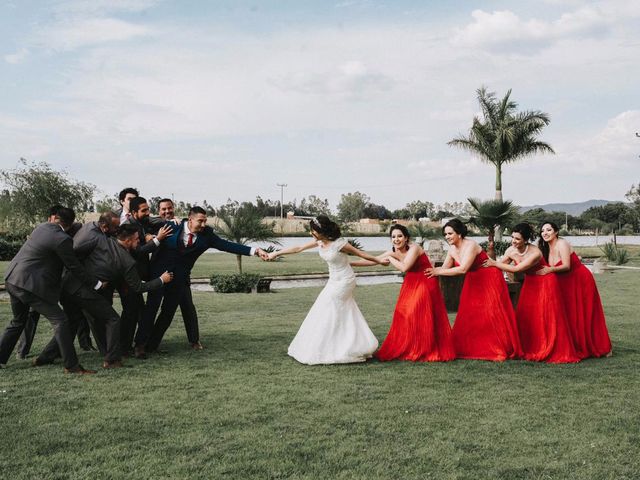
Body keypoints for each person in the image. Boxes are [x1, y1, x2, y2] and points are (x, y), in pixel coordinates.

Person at [34, 221, 173, 369]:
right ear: (127, 240)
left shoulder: (103, 240)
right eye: (137, 239)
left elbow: (77, 254)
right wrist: (161, 280)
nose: (139, 241)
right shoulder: (127, 262)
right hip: (85, 291)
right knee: (113, 319)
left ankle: (44, 357)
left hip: (68, 285)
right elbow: (138, 287)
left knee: (71, 322)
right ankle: (112, 360)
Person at [140, 206, 270, 355]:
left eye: (205, 221)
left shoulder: (207, 235)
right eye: (200, 221)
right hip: (159, 277)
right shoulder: (171, 227)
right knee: (150, 310)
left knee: (167, 313)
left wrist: (255, 251)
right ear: (190, 219)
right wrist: (149, 235)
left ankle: (152, 346)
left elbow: (227, 246)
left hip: (179, 280)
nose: (203, 225)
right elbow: (144, 227)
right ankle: (140, 345)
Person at [268, 215, 384, 365]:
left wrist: (379, 261)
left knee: (329, 309)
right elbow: (298, 248)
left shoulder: (339, 244)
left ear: (322, 231)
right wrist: (276, 253)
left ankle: (335, 348)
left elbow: (361, 254)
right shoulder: (319, 241)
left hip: (345, 280)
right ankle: (351, 344)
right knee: (336, 310)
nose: (311, 233)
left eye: (314, 231)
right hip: (333, 281)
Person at [0, 207, 99, 373]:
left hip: (12, 279)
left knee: (18, 321)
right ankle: (72, 366)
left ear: (53, 218)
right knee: (61, 321)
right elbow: (73, 266)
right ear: (70, 223)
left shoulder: (41, 228)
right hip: (30, 285)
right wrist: (95, 283)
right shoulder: (62, 239)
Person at [351, 224, 455, 362]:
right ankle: (411, 345)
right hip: (411, 283)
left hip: (425, 280)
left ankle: (423, 348)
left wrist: (391, 258)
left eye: (400, 236)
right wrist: (350, 263)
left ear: (406, 238)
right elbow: (374, 261)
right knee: (404, 314)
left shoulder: (415, 248)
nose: (396, 239)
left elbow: (405, 267)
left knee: (416, 311)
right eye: (393, 237)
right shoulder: (392, 252)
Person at [425, 219, 522, 361]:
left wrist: (438, 272)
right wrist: (429, 272)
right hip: (473, 278)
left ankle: (499, 346)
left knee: (491, 313)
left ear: (459, 233)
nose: (447, 237)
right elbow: (445, 268)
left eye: (450, 234)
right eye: (445, 234)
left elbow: (463, 268)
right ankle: (474, 346)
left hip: (489, 277)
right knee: (471, 312)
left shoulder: (470, 245)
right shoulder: (452, 250)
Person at [483, 223, 580, 363]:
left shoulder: (535, 253)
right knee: (526, 315)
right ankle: (527, 346)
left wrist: (494, 263)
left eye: (517, 239)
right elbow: (499, 266)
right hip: (530, 282)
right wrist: (486, 267)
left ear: (525, 240)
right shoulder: (511, 250)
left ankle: (546, 347)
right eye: (512, 238)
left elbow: (517, 269)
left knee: (544, 316)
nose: (513, 241)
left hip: (545, 282)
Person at [536, 221, 612, 358]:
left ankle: (603, 347)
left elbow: (566, 266)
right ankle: (576, 345)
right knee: (571, 314)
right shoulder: (545, 248)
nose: (545, 233)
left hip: (580, 280)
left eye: (548, 230)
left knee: (588, 314)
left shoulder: (562, 244)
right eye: (542, 231)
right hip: (564, 283)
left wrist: (550, 269)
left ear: (556, 232)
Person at [142, 198, 202, 354]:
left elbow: (188, 224)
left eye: (170, 208)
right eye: (163, 209)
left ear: (174, 208)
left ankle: (194, 340)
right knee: (153, 308)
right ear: (158, 211)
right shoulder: (151, 224)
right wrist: (150, 235)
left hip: (179, 276)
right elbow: (144, 227)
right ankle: (146, 344)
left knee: (187, 307)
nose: (167, 211)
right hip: (158, 274)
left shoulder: (179, 224)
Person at [120, 196, 173, 355]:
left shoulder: (143, 222)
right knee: (130, 313)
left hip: (140, 274)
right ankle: (125, 347)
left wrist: (175, 220)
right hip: (128, 277)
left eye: (148, 209)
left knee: (137, 312)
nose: (147, 213)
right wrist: (158, 239)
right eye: (144, 210)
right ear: (134, 212)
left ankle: (136, 345)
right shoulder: (128, 226)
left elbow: (156, 221)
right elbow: (137, 251)